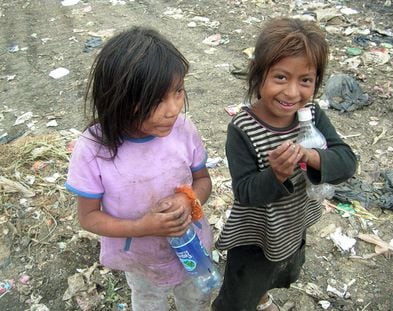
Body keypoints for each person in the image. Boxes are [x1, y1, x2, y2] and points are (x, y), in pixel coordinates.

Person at [212, 18, 357, 311]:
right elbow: (245, 192)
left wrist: (312, 155)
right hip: (256, 233)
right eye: (280, 77)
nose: (292, 93)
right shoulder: (242, 127)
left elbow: (347, 162)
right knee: (240, 294)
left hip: (294, 221)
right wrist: (276, 173)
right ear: (258, 75)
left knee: (284, 270)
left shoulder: (312, 115)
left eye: (305, 80)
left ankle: (263, 296)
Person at [65, 26, 213, 311]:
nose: (172, 109)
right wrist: (141, 227)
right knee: (148, 302)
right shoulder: (94, 149)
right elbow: (89, 217)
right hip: (141, 259)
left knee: (195, 300)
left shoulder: (183, 130)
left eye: (178, 91)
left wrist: (187, 199)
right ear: (118, 98)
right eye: (157, 99)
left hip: (191, 246)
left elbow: (203, 180)